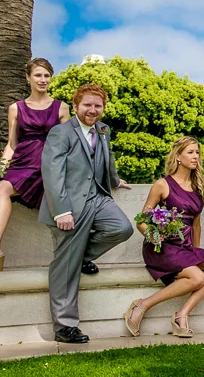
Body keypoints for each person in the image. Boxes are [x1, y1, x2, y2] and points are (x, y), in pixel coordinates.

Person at [39, 84, 134, 344]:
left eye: (98, 106)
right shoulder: (61, 133)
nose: (93, 110)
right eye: (87, 105)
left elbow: (107, 158)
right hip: (69, 205)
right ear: (76, 106)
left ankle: (81, 257)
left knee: (122, 228)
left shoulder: (103, 130)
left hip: (97, 197)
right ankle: (64, 326)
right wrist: (61, 211)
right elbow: (52, 173)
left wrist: (115, 180)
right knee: (65, 269)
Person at [0, 58, 70, 273]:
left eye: (47, 75)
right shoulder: (16, 108)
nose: (43, 80)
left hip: (44, 165)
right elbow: (12, 144)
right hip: (21, 162)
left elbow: (69, 144)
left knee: (2, 189)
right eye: (38, 75)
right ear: (28, 78)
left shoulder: (62, 107)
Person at [124, 137, 204, 338]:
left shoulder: (199, 185)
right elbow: (141, 220)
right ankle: (142, 305)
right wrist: (153, 235)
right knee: (197, 278)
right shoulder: (162, 185)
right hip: (163, 247)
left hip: (185, 247)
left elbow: (196, 224)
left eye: (197, 152)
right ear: (178, 156)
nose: (195, 156)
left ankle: (182, 314)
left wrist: (195, 254)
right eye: (190, 152)